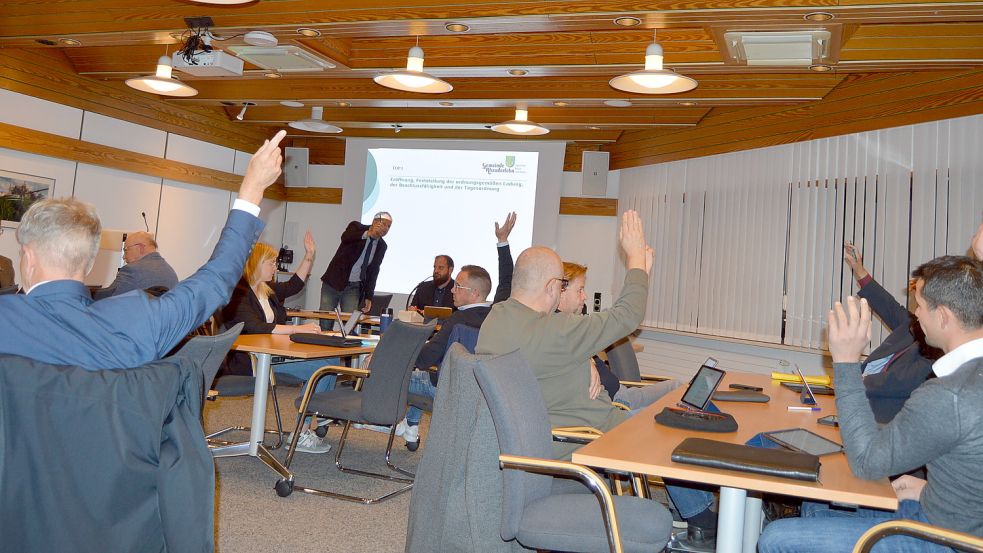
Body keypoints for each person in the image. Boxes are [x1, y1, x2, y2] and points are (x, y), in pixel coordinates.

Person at [475, 211, 718, 541]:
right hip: (589, 435)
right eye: (562, 284)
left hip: (549, 432)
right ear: (550, 286)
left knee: (669, 413)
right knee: (675, 425)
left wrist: (585, 356)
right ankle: (702, 518)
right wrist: (635, 261)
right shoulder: (556, 331)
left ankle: (693, 512)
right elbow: (627, 316)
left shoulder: (497, 319)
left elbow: (551, 350)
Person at [0, 130, 286, 369]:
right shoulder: (138, 318)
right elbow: (215, 281)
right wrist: (252, 189)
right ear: (89, 263)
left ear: (28, 255)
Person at [757, 255, 983, 553]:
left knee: (775, 538)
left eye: (921, 307)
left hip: (948, 541)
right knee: (815, 504)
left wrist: (846, 362)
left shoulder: (947, 394)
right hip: (950, 515)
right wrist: (930, 491)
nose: (916, 315)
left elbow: (866, 463)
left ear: (943, 316)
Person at [394, 212, 516, 448]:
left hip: (448, 389)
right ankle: (410, 425)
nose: (452, 290)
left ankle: (380, 421)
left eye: (458, 286)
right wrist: (503, 242)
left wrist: (397, 353)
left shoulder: (456, 321)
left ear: (474, 293)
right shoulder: (498, 314)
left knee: (403, 373)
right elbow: (507, 281)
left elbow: (426, 357)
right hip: (481, 391)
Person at [221, 231, 336, 453]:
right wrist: (297, 328)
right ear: (256, 263)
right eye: (271, 263)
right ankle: (302, 430)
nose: (275, 267)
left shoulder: (266, 290)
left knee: (329, 361)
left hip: (274, 357)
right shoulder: (237, 292)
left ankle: (317, 414)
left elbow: (294, 285)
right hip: (250, 362)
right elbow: (255, 327)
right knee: (324, 366)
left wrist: (309, 256)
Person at [556, 261, 680, 409]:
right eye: (580, 290)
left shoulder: (569, 326)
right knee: (678, 388)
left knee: (678, 389)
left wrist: (587, 358)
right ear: (561, 291)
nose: (585, 296)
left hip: (621, 392)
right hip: (619, 402)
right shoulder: (561, 329)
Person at [842, 242, 940, 422]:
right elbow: (887, 304)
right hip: (859, 399)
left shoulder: (939, 350)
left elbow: (899, 382)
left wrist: (852, 379)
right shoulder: (913, 325)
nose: (916, 311)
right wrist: (859, 269)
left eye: (920, 305)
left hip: (880, 418)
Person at [318, 212, 391, 329]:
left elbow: (373, 271)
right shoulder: (356, 227)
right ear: (375, 222)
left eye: (389, 226)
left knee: (350, 325)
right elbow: (345, 237)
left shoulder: (382, 246)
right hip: (333, 283)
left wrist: (369, 296)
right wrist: (368, 234)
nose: (386, 228)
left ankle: (345, 345)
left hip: (353, 287)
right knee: (326, 321)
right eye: (384, 224)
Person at [92, 230, 179, 299]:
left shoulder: (132, 270)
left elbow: (109, 300)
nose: (123, 257)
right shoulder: (171, 273)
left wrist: (87, 293)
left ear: (140, 248)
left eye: (126, 250)